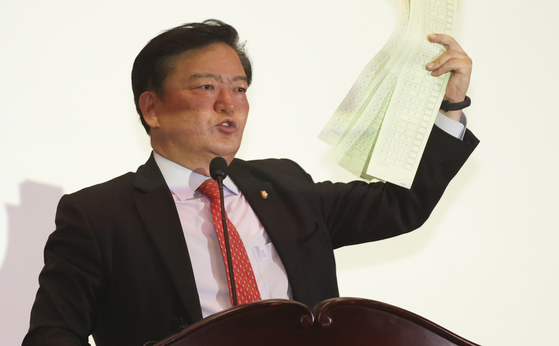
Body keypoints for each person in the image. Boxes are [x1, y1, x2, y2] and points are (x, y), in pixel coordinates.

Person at [23, 20, 478, 346]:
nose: (229, 104)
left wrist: (450, 108)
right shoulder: (99, 215)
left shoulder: (285, 184)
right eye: (206, 88)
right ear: (152, 108)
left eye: (239, 89)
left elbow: (401, 205)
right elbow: (52, 334)